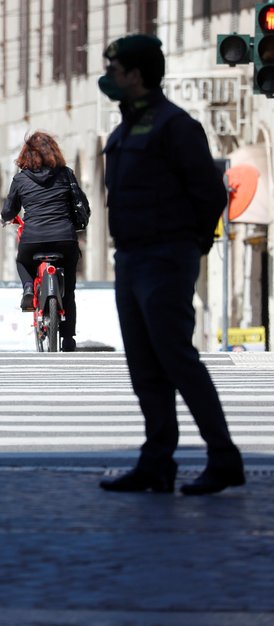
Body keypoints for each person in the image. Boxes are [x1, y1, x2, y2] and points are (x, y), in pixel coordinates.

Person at [97, 34, 245, 495]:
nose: (109, 78)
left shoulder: (174, 126)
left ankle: (223, 458)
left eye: (116, 70)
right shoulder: (125, 128)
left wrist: (190, 247)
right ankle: (157, 461)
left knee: (177, 359)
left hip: (164, 257)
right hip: (132, 257)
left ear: (136, 75)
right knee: (144, 366)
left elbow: (209, 193)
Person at [0, 131, 86, 352]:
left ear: (25, 155)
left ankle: (28, 287)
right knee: (70, 289)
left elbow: (10, 209)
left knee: (21, 261)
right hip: (65, 239)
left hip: (33, 239)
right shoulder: (66, 175)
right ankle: (68, 339)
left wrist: (5, 218)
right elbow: (81, 203)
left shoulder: (20, 179)